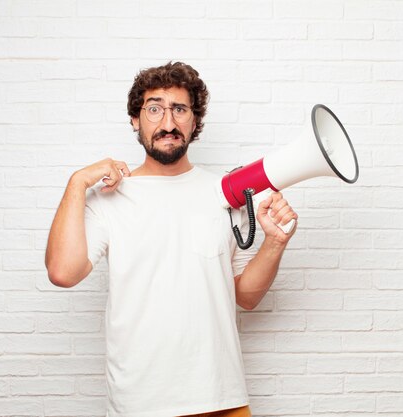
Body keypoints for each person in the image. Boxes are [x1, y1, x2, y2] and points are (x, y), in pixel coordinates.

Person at [45, 61, 298, 417]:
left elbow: (246, 296)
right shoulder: (108, 198)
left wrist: (274, 243)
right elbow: (63, 271)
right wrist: (77, 182)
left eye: (179, 109)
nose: (168, 123)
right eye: (154, 109)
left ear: (194, 122)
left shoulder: (224, 194)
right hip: (141, 404)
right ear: (135, 119)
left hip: (221, 398)